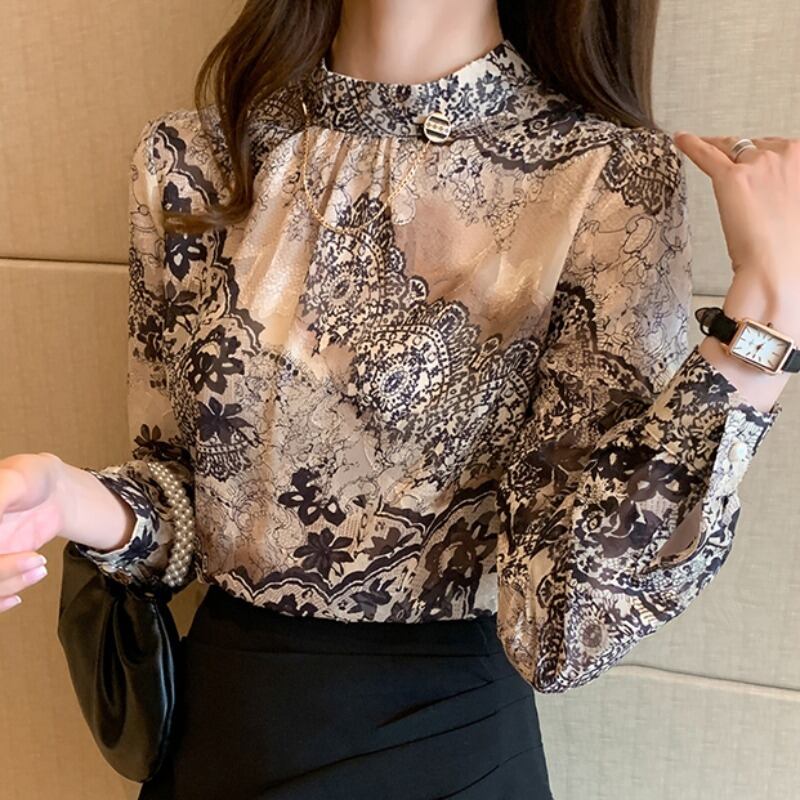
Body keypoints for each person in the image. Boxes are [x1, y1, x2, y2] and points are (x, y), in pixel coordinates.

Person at [1, 0, 798, 797]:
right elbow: (187, 498)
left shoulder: (603, 176)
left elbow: (568, 618)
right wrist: (62, 498)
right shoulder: (193, 159)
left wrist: (766, 319)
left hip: (446, 753)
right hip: (219, 740)